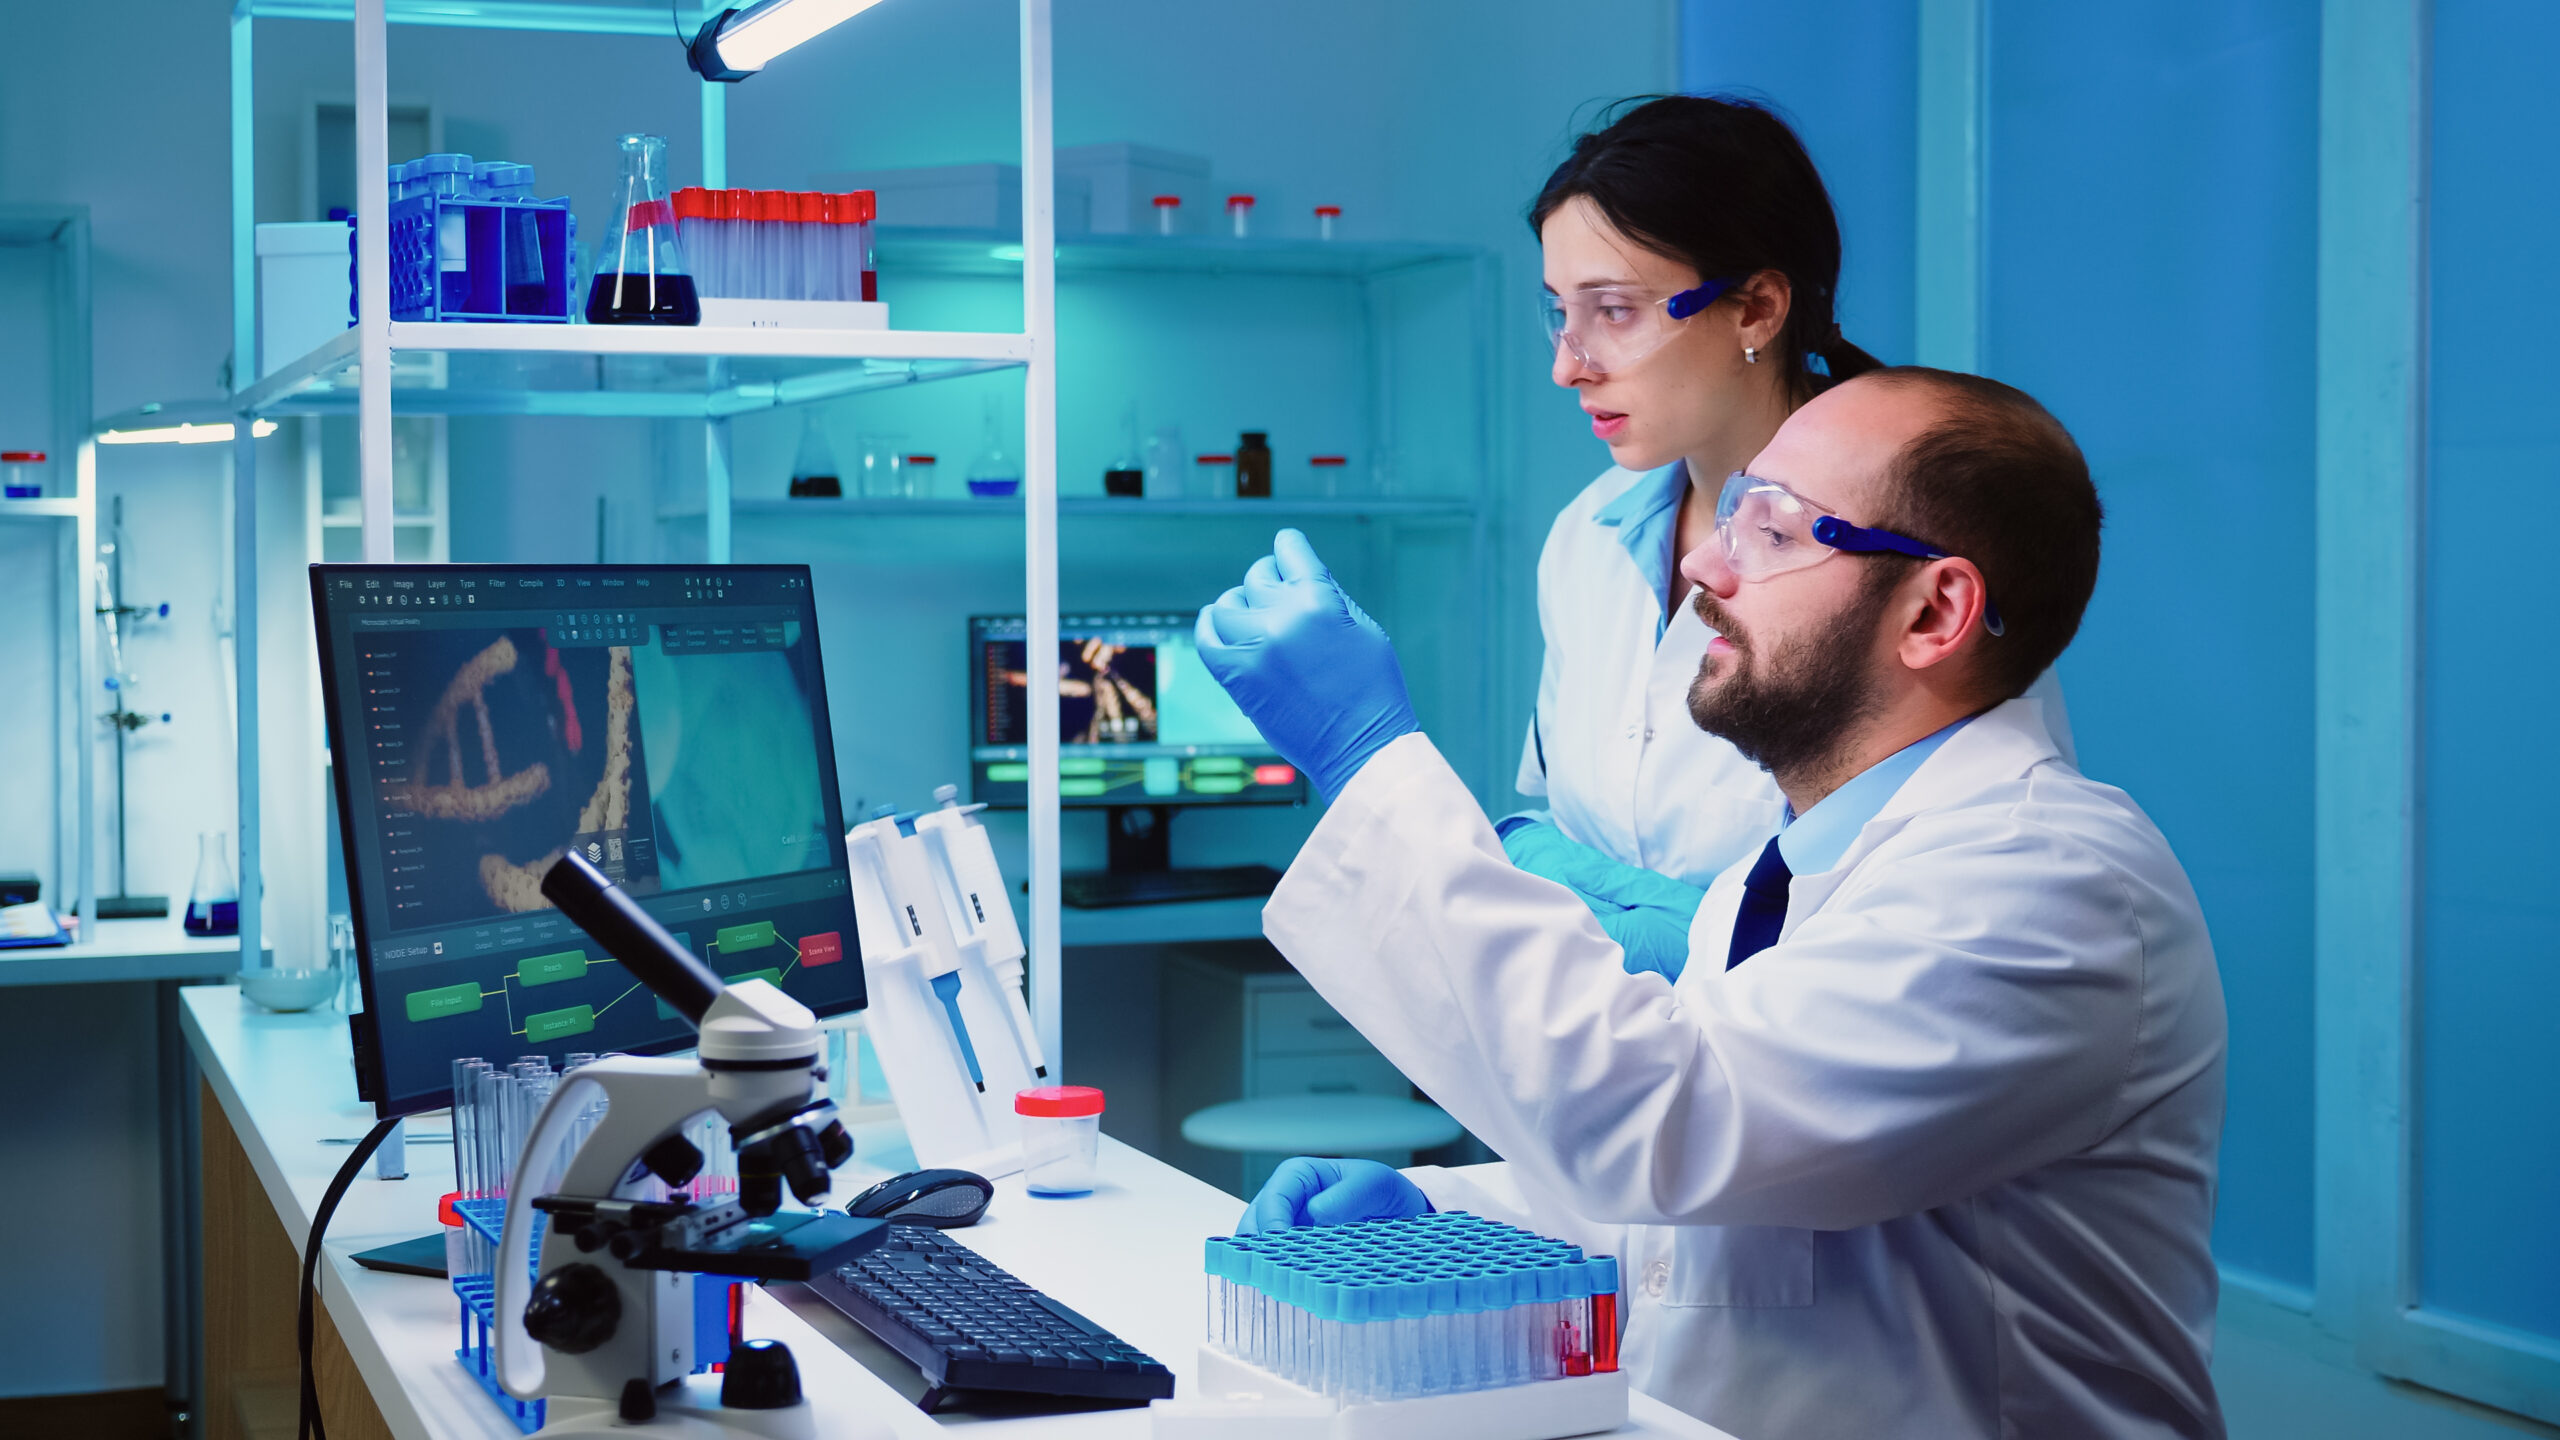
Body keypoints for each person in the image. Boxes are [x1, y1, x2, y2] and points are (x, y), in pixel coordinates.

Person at [1193, 368, 2226, 1439]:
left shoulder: (2044, 881)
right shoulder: (1785, 874)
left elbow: (1668, 1121)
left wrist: (1366, 759)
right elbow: (1715, 1212)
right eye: (1730, 512)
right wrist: (1449, 1210)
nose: (1701, 564)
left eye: (1773, 530)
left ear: (1934, 611)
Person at [1511, 96, 2074, 981]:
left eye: (1613, 310)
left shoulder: (1908, 548)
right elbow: (1562, 829)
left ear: (1756, 309)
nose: (1568, 364)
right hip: (1601, 1078)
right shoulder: (1585, 537)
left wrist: (1698, 943)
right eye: (1560, 312)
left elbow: (1967, 882)